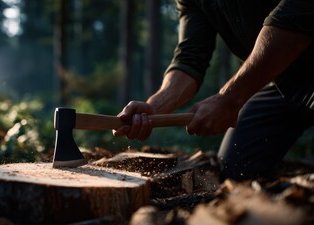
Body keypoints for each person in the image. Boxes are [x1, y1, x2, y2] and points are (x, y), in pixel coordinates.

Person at [113, 0, 314, 181]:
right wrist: (154, 107)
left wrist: (229, 99)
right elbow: (190, 59)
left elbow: (296, 13)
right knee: (236, 169)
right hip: (283, 85)